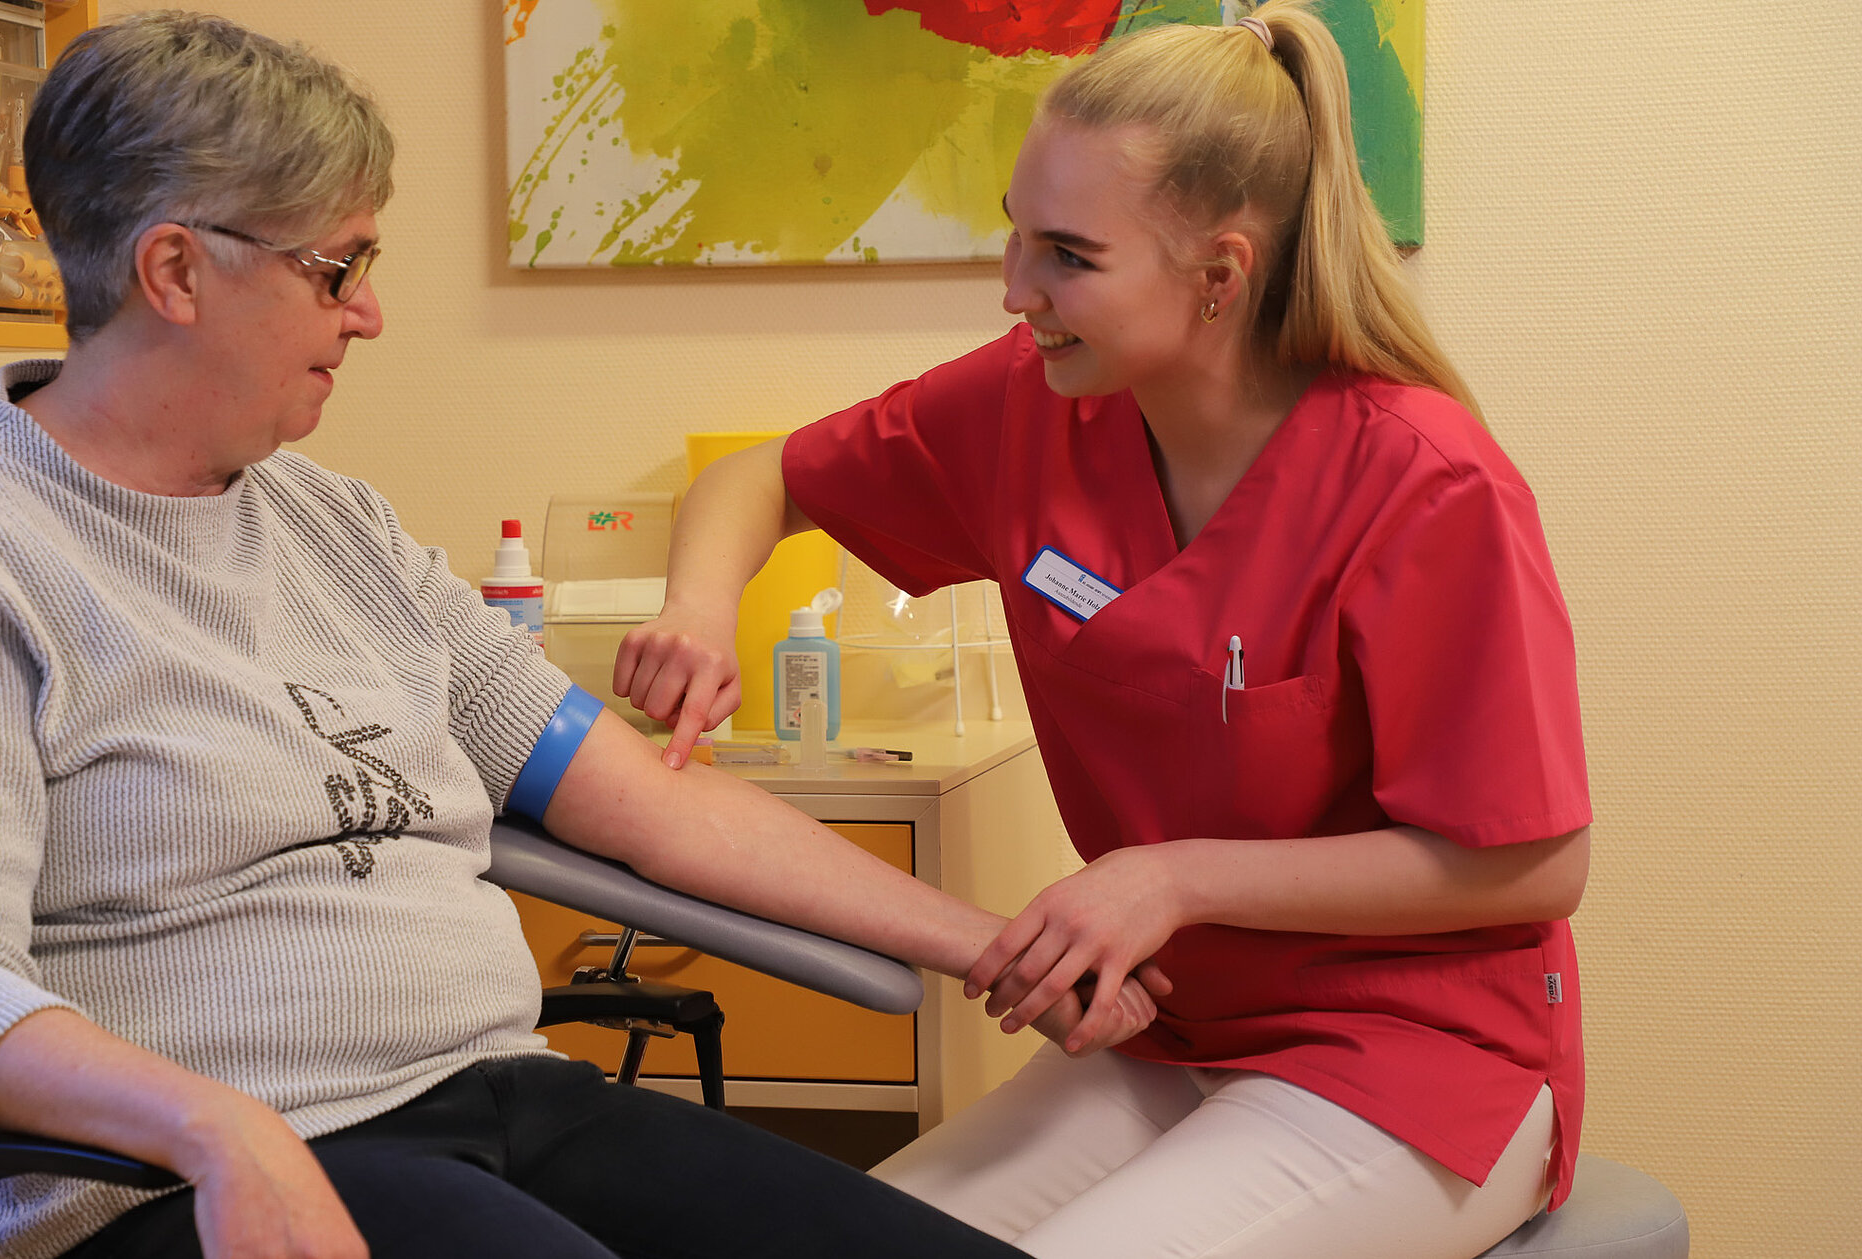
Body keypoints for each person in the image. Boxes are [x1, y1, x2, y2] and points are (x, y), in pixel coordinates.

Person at [0, 13, 1162, 1259]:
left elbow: (645, 807)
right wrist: (220, 1127)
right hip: (181, 1184)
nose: (369, 312)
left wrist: (999, 945)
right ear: (175, 271)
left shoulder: (338, 527)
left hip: (497, 1100)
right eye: (339, 267)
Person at [613, 4, 1591, 1257]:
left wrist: (1170, 875)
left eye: (1067, 255)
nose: (1014, 290)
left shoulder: (1422, 482)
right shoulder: (1035, 408)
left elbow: (1533, 862)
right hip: (1164, 1029)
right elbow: (761, 477)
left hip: (1412, 1054)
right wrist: (698, 609)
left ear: (1219, 273)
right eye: (1014, 237)